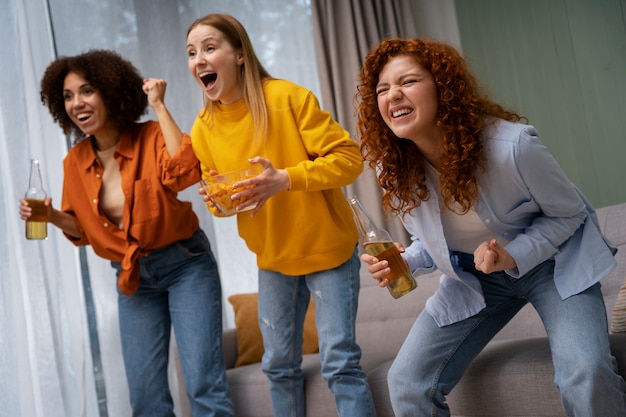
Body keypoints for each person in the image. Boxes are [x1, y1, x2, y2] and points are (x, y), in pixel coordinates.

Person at [355, 37, 626, 417]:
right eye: (382, 89)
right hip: (475, 280)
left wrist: (511, 255)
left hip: (555, 267)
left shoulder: (513, 146)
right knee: (406, 383)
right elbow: (428, 239)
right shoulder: (395, 169)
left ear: (443, 90)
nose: (393, 95)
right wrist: (407, 260)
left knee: (586, 372)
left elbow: (569, 214)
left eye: (408, 82)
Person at [20, 49, 234, 417]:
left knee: (203, 386)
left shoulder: (150, 136)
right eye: (68, 96)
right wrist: (53, 216)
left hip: (186, 266)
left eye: (86, 91)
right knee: (146, 399)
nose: (76, 103)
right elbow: (84, 230)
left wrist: (160, 106)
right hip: (132, 278)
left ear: (110, 92)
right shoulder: (74, 162)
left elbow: (185, 172)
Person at [185, 13, 375, 417]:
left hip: (328, 250)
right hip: (273, 258)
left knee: (339, 363)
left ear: (238, 55)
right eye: (191, 52)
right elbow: (223, 200)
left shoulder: (288, 98)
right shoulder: (203, 128)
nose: (199, 59)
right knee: (278, 367)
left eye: (209, 47)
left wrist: (284, 178)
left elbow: (350, 159)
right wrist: (219, 201)